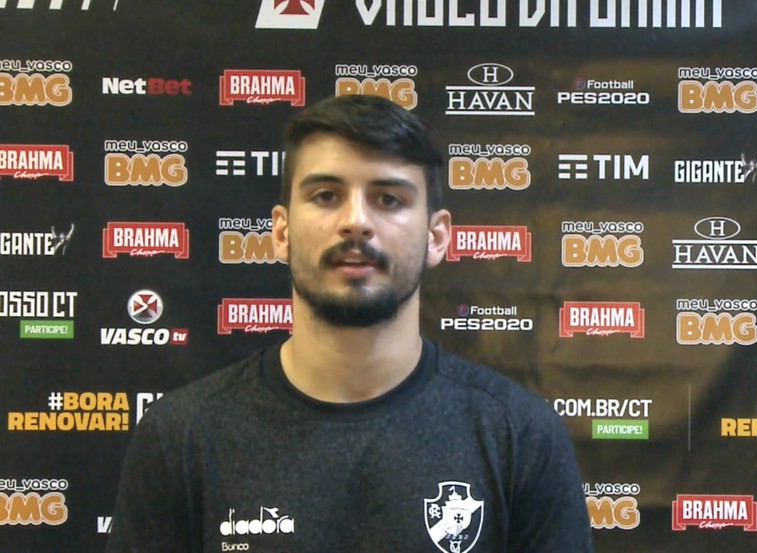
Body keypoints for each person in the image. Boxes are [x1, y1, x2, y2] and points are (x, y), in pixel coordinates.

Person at [106, 94, 594, 553]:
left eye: (388, 199)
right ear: (281, 232)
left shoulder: (520, 437)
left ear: (437, 236)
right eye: (326, 195)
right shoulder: (182, 438)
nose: (356, 221)